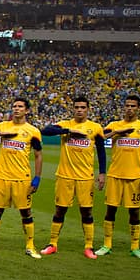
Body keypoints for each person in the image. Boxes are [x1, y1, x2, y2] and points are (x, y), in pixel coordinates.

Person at [0, 98, 43, 258]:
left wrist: (37, 178)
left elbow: (38, 155)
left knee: (26, 212)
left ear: (27, 110)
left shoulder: (33, 131)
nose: (16, 109)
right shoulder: (3, 126)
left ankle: (30, 246)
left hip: (22, 178)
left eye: (20, 106)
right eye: (14, 106)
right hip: (2, 177)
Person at [38, 96, 106, 259]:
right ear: (73, 108)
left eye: (83, 107)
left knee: (87, 212)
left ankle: (88, 246)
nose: (79, 110)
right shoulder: (65, 124)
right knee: (60, 210)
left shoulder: (95, 128)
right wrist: (69, 131)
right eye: (77, 107)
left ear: (88, 109)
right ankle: (52, 244)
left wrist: (102, 173)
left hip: (85, 177)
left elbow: (101, 151)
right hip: (64, 176)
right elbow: (45, 130)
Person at [96, 94, 140, 259]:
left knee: (134, 212)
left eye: (133, 106)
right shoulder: (115, 125)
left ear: (138, 108)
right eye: (127, 105)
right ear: (124, 107)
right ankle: (107, 245)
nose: (130, 108)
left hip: (135, 176)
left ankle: (135, 247)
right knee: (110, 210)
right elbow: (100, 138)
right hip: (115, 175)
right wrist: (117, 132)